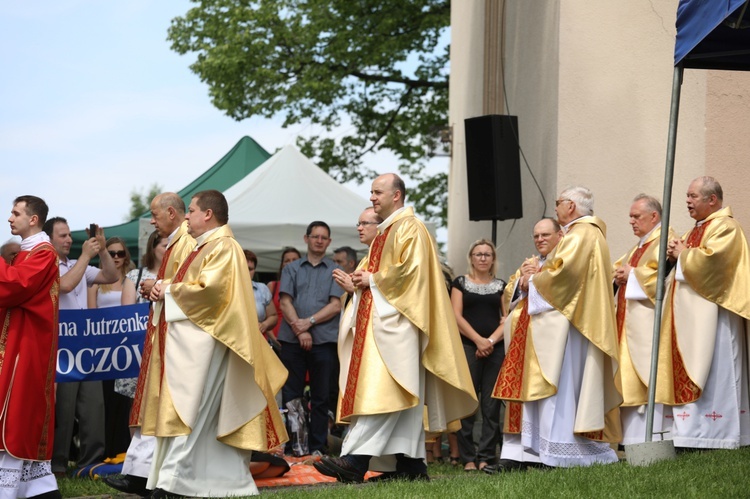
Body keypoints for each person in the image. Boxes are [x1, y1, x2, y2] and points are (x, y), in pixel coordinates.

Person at [315, 173, 477, 483]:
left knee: (387, 393)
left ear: (397, 196)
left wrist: (372, 281)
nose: (372, 197)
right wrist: (359, 284)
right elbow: (379, 274)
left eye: (377, 192)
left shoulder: (409, 229)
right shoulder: (387, 232)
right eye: (371, 192)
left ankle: (355, 461)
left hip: (398, 328)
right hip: (382, 324)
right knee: (402, 398)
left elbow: (412, 274)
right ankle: (411, 468)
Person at [144, 190, 287, 497]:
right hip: (200, 342)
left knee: (196, 412)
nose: (186, 216)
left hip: (214, 344)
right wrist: (165, 288)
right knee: (202, 417)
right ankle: (217, 482)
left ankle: (176, 482)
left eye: (191, 211)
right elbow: (194, 286)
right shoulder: (204, 246)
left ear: (207, 214)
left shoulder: (225, 246)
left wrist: (166, 290)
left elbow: (210, 292)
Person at [493, 188, 621, 470]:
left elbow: (563, 275)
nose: (556, 208)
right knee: (561, 388)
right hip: (566, 324)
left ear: (571, 206)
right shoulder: (583, 233)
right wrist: (525, 281)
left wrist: (532, 281)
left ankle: (561, 453)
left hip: (569, 328)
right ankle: (550, 452)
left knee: (562, 388)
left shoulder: (581, 233)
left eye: (558, 204)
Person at [103, 193, 195, 497]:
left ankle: (163, 479)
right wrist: (155, 287)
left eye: (155, 216)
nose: (152, 222)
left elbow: (195, 289)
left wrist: (157, 286)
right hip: (160, 339)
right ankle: (139, 473)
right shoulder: (176, 243)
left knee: (168, 411)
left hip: (179, 343)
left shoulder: (188, 243)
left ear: (171, 213)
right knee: (149, 409)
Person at [657, 176, 750, 449]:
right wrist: (675, 255)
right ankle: (690, 434)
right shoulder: (693, 230)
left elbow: (716, 265)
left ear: (713, 199)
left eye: (693, 196)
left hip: (715, 318)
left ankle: (718, 434)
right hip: (688, 320)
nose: (687, 201)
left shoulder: (726, 228)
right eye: (687, 196)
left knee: (717, 370)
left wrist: (683, 254)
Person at [44, 216, 119, 476]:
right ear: (49, 239)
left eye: (69, 236)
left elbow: (111, 275)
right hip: (61, 348)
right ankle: (58, 464)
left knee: (93, 405)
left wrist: (102, 247)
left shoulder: (78, 263)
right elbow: (65, 286)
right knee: (63, 408)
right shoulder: (46, 264)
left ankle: (91, 462)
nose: (69, 240)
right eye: (63, 236)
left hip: (85, 348)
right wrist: (87, 255)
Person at [488, 218, 563, 472]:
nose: (540, 239)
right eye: (536, 235)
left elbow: (563, 290)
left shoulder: (560, 263)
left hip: (547, 343)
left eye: (545, 235)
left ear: (559, 236)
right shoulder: (530, 263)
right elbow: (508, 294)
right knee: (516, 398)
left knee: (540, 397)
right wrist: (521, 280)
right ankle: (513, 456)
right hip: (522, 339)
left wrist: (534, 279)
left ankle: (542, 453)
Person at [0, 196, 61, 499]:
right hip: (14, 341)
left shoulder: (43, 253)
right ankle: (35, 489)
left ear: (33, 219)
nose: (10, 218)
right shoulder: (25, 252)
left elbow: (16, 285)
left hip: (27, 345)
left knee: (18, 414)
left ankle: (11, 489)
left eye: (16, 213)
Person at [612, 194, 674, 445]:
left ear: (654, 216)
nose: (631, 222)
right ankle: (629, 441)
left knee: (649, 377)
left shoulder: (666, 241)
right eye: (630, 217)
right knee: (627, 379)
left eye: (636, 216)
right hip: (628, 324)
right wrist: (618, 277)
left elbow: (664, 280)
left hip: (649, 325)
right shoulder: (639, 246)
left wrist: (633, 274)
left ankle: (651, 439)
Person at [278, 221, 343, 456]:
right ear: (306, 239)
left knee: (321, 396)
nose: (319, 240)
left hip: (324, 342)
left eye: (323, 237)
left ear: (329, 242)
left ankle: (317, 447)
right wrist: (300, 329)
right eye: (315, 236)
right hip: (292, 341)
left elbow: (335, 306)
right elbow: (285, 301)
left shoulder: (336, 271)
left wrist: (309, 322)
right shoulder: (291, 269)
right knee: (291, 395)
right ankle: (295, 446)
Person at [451, 239, 506, 472]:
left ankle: (485, 457)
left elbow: (507, 318)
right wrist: (478, 340)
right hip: (468, 347)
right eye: (478, 254)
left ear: (493, 259)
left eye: (487, 254)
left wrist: (490, 341)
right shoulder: (460, 283)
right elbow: (456, 316)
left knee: (491, 406)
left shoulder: (502, 285)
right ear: (471, 258)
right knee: (468, 404)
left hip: (496, 349)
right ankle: (468, 458)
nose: (483, 258)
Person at [87, 237, 138, 460]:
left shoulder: (131, 280)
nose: (116, 257)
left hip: (127, 348)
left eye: (120, 253)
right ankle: (106, 450)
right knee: (106, 399)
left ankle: (124, 450)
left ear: (126, 256)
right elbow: (91, 313)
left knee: (125, 400)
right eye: (112, 253)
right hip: (104, 349)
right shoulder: (97, 281)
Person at [267, 247, 301, 338]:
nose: (291, 263)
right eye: (287, 260)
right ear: (282, 265)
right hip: (274, 338)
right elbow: (266, 317)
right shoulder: (273, 286)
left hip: (300, 338)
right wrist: (274, 340)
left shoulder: (307, 287)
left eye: (294, 260)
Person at [244, 249, 278, 339]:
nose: (247, 271)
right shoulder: (227, 288)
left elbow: (273, 316)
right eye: (244, 267)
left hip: (257, 340)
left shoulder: (262, 289)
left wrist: (264, 324)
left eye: (250, 269)